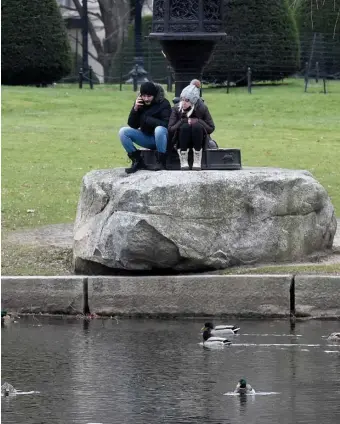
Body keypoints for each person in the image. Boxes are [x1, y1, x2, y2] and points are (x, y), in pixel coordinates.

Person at [119, 82, 172, 174]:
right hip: (147, 138)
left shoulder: (164, 104)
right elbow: (133, 125)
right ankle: (138, 161)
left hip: (162, 139)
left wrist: (147, 119)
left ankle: (161, 162)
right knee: (123, 132)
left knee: (159, 129)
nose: (146, 99)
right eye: (144, 96)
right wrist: (135, 109)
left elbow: (167, 125)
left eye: (149, 96)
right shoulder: (140, 103)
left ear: (154, 95)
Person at [168, 80, 215, 170]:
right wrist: (183, 121)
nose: (183, 102)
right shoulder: (176, 108)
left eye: (187, 100)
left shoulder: (202, 108)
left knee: (197, 126)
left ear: (193, 101)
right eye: (182, 99)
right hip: (181, 139)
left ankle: (197, 158)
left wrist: (198, 121)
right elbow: (170, 128)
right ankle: (183, 157)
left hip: (198, 139)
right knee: (185, 126)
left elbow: (211, 128)